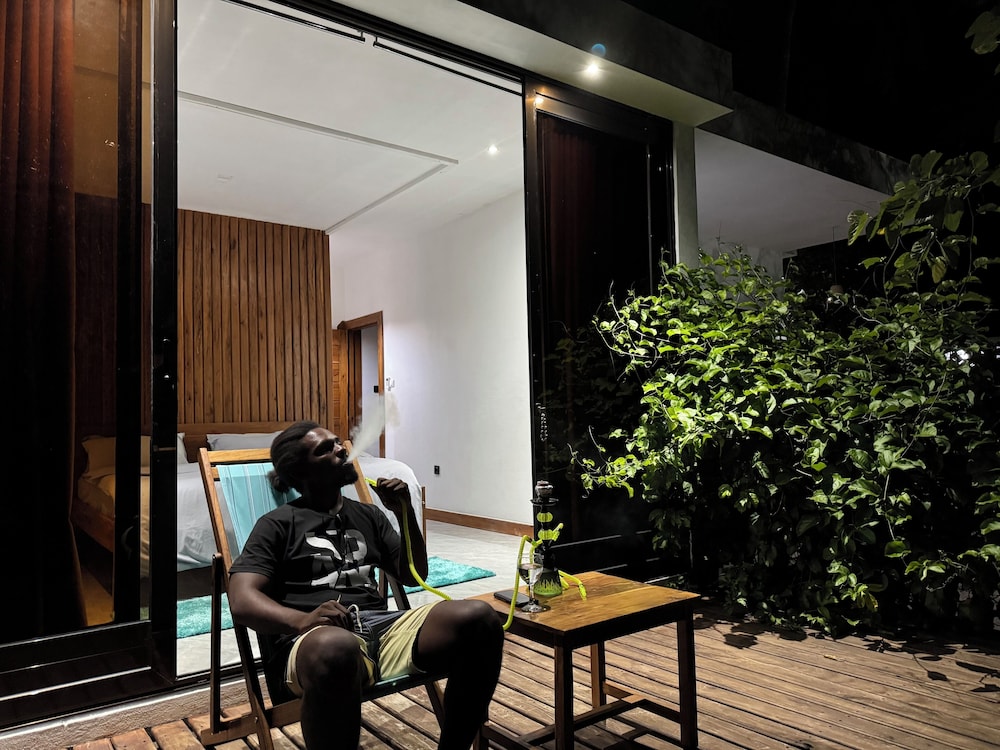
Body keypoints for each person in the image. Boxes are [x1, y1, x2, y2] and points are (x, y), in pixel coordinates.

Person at [228, 420, 504, 750]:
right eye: (326, 449)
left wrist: (404, 513)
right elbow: (241, 599)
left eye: (337, 442)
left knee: (479, 617)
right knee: (337, 646)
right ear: (301, 471)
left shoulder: (368, 515)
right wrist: (302, 620)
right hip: (315, 643)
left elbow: (413, 574)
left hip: (381, 630)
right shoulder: (277, 524)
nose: (341, 449)